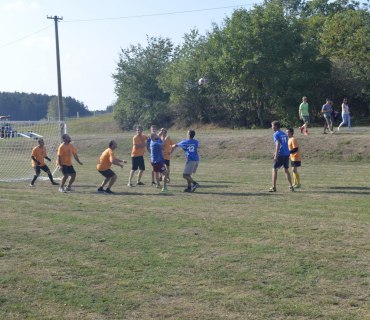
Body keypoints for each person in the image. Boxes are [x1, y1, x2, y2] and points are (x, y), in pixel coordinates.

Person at [270, 121, 294, 192]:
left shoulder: (276, 134)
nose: (272, 127)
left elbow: (278, 144)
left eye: (272, 126)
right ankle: (291, 186)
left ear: (276, 126)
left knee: (274, 169)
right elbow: (285, 144)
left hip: (281, 154)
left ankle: (274, 187)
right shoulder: (284, 134)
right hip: (286, 154)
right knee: (286, 170)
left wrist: (276, 155)